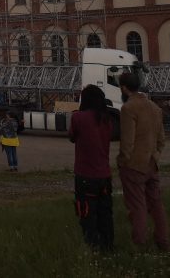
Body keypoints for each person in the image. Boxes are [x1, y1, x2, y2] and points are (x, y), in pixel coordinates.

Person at [118, 71, 169, 251]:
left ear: (124, 88)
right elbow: (161, 139)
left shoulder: (128, 108)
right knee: (156, 205)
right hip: (152, 164)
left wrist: (123, 160)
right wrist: (155, 156)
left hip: (134, 166)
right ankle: (163, 242)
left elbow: (127, 141)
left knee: (137, 206)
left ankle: (139, 244)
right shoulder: (155, 108)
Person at [69, 84, 115, 251]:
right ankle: (108, 246)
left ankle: (93, 247)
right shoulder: (107, 119)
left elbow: (72, 137)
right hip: (104, 174)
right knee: (105, 213)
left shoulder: (78, 118)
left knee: (87, 213)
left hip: (85, 174)